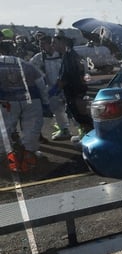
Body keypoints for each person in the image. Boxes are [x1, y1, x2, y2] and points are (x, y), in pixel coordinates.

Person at [0, 40, 47, 172]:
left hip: (7, 101)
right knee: (32, 128)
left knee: (5, 129)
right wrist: (45, 102)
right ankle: (29, 155)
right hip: (31, 99)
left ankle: (6, 157)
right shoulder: (26, 64)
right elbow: (41, 84)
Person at [52, 32, 93, 142]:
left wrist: (54, 91)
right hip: (77, 91)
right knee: (80, 116)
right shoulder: (71, 55)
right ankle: (87, 136)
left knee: (81, 117)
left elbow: (64, 78)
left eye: (54, 42)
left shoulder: (69, 57)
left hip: (74, 92)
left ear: (63, 42)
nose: (52, 45)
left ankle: (88, 138)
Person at [30, 35, 72, 140]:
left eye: (43, 44)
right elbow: (30, 68)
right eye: (40, 44)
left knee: (73, 110)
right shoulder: (39, 57)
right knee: (57, 110)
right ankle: (64, 130)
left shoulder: (63, 54)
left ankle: (83, 131)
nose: (41, 47)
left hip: (67, 87)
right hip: (51, 89)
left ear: (51, 44)